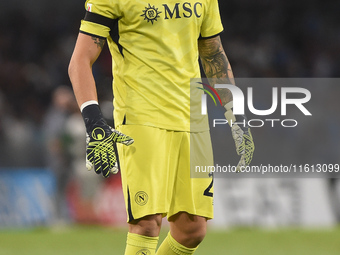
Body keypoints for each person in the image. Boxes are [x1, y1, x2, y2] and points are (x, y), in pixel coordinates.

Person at [68, 0, 254, 254]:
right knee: (146, 224)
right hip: (141, 116)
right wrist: (93, 121)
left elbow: (213, 53)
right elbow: (80, 60)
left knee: (192, 230)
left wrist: (237, 115)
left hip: (192, 116)